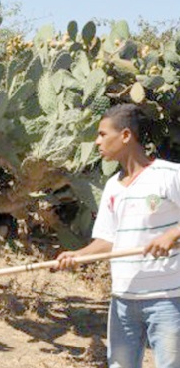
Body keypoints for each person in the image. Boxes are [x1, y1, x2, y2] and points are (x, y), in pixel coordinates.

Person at [56, 103, 180, 368]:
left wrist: (173, 234)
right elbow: (107, 241)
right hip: (123, 299)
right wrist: (77, 256)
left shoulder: (169, 176)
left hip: (168, 299)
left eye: (103, 134)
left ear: (125, 135)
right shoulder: (112, 187)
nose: (97, 141)